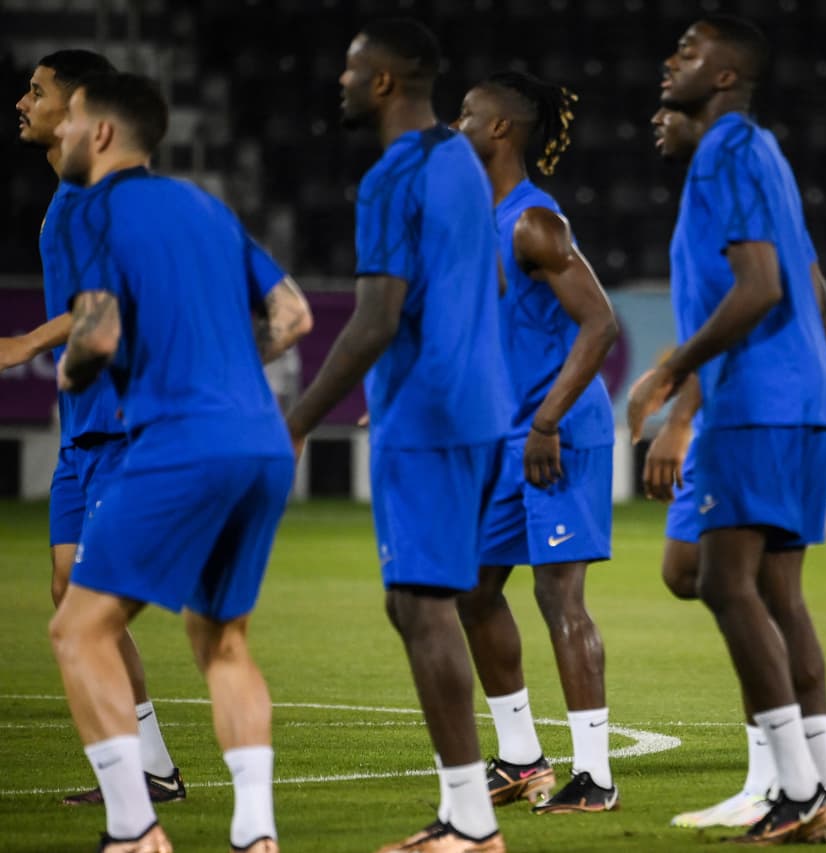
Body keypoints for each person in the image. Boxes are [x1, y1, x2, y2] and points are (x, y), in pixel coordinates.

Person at [47, 72, 310, 853]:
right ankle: (256, 835)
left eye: (70, 121)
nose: (60, 132)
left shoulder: (90, 208)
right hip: (260, 439)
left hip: (182, 438)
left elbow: (96, 334)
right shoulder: (206, 206)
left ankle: (134, 829)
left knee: (78, 630)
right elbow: (293, 314)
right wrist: (224, 368)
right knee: (223, 640)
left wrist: (70, 371)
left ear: (101, 133)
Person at [630, 16, 826, 844]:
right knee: (775, 594)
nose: (671, 61)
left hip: (757, 397)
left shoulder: (726, 152)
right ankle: (818, 791)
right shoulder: (765, 154)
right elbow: (812, 292)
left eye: (688, 51)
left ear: (727, 76)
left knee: (721, 582)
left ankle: (795, 791)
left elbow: (762, 286)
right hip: (797, 399)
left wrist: (670, 374)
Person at [283, 19, 512, 852]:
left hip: (430, 414)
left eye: (352, 69)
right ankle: (465, 814)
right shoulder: (461, 160)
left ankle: (471, 823)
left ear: (383, 82)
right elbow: (491, 278)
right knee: (415, 600)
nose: (341, 81)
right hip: (477, 407)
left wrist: (296, 420)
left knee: (420, 603)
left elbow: (375, 319)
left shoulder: (395, 173)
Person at [5, 49, 188, 809]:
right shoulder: (66, 196)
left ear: (79, 106)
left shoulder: (99, 198)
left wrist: (25, 342)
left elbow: (111, 301)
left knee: (91, 603)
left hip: (124, 425)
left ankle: (143, 783)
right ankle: (154, 769)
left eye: (37, 91)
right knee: (66, 590)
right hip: (84, 429)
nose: (23, 101)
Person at [452, 70, 620, 814]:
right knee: (473, 587)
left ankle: (596, 777)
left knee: (559, 595)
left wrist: (547, 421)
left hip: (558, 432)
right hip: (505, 434)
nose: (453, 125)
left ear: (499, 129)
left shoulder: (532, 221)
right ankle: (521, 757)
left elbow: (600, 323)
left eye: (466, 114)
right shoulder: (477, 220)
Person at [645, 105, 779, 831]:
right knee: (690, 572)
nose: (657, 118)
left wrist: (676, 410)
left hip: (750, 411)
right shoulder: (715, 193)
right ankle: (790, 782)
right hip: (732, 407)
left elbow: (753, 306)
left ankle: (779, 782)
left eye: (673, 108)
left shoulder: (731, 176)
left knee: (751, 590)